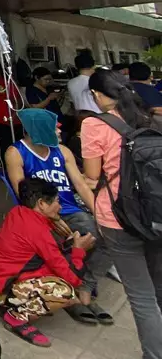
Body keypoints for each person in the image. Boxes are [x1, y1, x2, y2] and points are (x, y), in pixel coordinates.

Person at [3, 107, 113, 325]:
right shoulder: (16, 152)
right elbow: (23, 194)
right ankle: (67, 293)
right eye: (55, 127)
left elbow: (81, 185)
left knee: (109, 237)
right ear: (39, 129)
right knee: (59, 246)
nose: (60, 130)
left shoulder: (62, 151)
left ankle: (85, 287)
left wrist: (100, 216)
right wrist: (53, 218)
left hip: (70, 210)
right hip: (40, 214)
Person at [82, 68, 162, 359]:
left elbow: (93, 175)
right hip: (155, 213)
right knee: (159, 288)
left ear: (96, 94)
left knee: (141, 297)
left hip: (119, 218)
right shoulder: (148, 118)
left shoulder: (94, 124)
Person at [0, 178, 93, 348]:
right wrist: (78, 251)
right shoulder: (39, 231)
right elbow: (73, 278)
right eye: (57, 201)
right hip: (1, 288)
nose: (60, 207)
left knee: (54, 271)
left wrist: (68, 243)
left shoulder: (18, 212)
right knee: (65, 292)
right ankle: (15, 316)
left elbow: (39, 256)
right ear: (41, 203)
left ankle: (10, 302)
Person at [67, 52, 100, 116]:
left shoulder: (70, 83)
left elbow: (72, 104)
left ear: (76, 66)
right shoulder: (96, 81)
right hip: (98, 116)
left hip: (80, 117)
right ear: (93, 65)